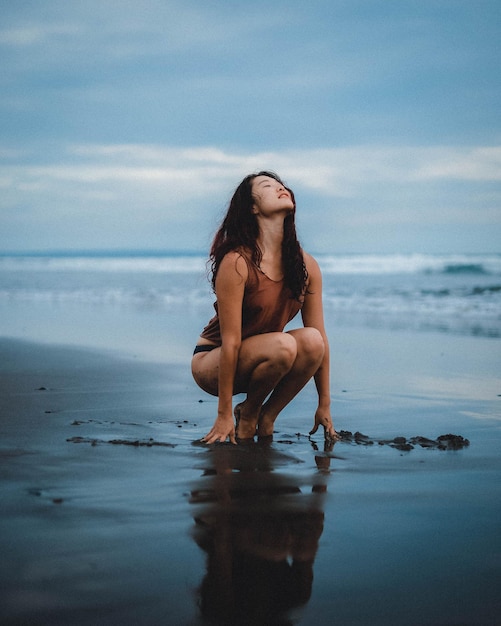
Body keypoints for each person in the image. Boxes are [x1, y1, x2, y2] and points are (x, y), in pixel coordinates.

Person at [191, 171, 337, 444]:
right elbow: (232, 341)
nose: (281, 189)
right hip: (214, 360)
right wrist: (223, 414)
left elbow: (321, 338)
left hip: (266, 356)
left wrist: (324, 404)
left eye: (283, 186)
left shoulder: (306, 266)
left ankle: (267, 416)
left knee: (313, 341)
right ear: (253, 208)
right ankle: (247, 414)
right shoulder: (236, 262)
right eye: (268, 186)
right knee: (284, 345)